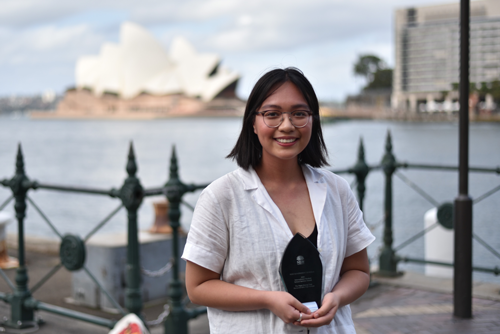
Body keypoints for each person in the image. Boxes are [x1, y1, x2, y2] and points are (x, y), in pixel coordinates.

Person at [181, 67, 375, 333]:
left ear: (313, 120)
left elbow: (359, 271)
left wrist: (337, 297)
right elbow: (198, 287)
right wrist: (267, 299)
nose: (287, 125)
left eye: (299, 114)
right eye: (272, 114)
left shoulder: (337, 190)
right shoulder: (221, 197)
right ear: (252, 122)